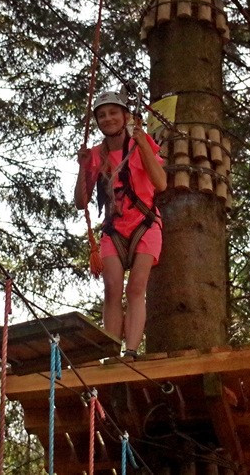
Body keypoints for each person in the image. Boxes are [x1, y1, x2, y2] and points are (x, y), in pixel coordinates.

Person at [75, 90, 167, 358]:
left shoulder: (141, 144)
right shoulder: (95, 155)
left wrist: (143, 145)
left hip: (145, 224)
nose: (108, 119)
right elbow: (81, 202)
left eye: (113, 113)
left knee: (136, 287)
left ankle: (132, 351)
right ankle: (112, 352)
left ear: (125, 115)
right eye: (102, 115)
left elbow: (161, 183)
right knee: (112, 289)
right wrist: (83, 167)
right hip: (114, 228)